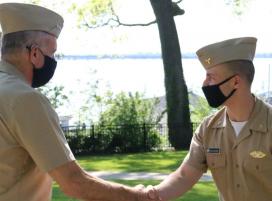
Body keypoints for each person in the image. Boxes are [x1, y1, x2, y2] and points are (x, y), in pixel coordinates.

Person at [0, 3, 149, 201]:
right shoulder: (26, 99)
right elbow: (74, 183)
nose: (53, 60)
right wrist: (136, 196)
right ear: (35, 54)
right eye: (52, 53)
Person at [144, 37, 272, 201]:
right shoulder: (208, 129)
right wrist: (150, 194)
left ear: (235, 82)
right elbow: (184, 176)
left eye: (211, 77)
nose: (205, 84)